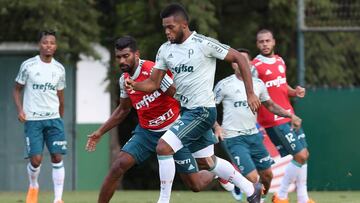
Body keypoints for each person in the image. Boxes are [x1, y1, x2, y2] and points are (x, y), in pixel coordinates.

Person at [125, 3, 263, 203]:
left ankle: (163, 201)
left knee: (163, 147)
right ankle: (251, 190)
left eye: (171, 27)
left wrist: (250, 93)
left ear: (184, 25)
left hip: (203, 111)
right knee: (207, 162)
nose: (167, 31)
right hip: (187, 111)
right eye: (164, 27)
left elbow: (240, 58)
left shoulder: (203, 44)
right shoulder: (165, 50)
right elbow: (154, 83)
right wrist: (135, 85)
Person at [86, 36, 226, 203]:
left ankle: (218, 172)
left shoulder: (154, 71)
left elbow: (181, 96)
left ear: (136, 54)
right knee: (118, 166)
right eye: (118, 57)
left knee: (195, 185)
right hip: (146, 132)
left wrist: (213, 123)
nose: (122, 60)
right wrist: (100, 132)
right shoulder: (124, 80)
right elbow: (123, 109)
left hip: (173, 132)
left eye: (126, 56)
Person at [214, 48, 303, 203]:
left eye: (245, 60)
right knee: (253, 177)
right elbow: (208, 108)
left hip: (254, 136)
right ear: (234, 64)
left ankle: (252, 194)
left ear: (250, 64)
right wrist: (217, 127)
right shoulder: (224, 85)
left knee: (267, 176)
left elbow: (270, 105)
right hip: (234, 137)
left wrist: (290, 115)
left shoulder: (258, 84)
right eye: (238, 61)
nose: (241, 63)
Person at [252, 29, 314, 203]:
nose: (264, 44)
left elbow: (282, 86)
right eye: (261, 41)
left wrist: (295, 92)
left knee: (304, 154)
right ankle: (281, 195)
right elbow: (251, 93)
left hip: (289, 115)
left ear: (273, 42)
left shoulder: (280, 61)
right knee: (300, 156)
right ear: (257, 44)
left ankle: (303, 198)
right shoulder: (255, 66)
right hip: (273, 119)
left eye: (267, 41)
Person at [13, 30, 66, 203]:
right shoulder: (28, 65)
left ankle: (58, 199)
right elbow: (16, 89)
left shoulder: (59, 69)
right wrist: (20, 110)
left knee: (57, 156)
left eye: (52, 42)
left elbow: (60, 96)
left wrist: (60, 117)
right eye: (45, 42)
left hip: (54, 119)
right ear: (40, 45)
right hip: (33, 120)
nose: (48, 45)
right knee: (36, 160)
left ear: (55, 46)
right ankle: (33, 185)